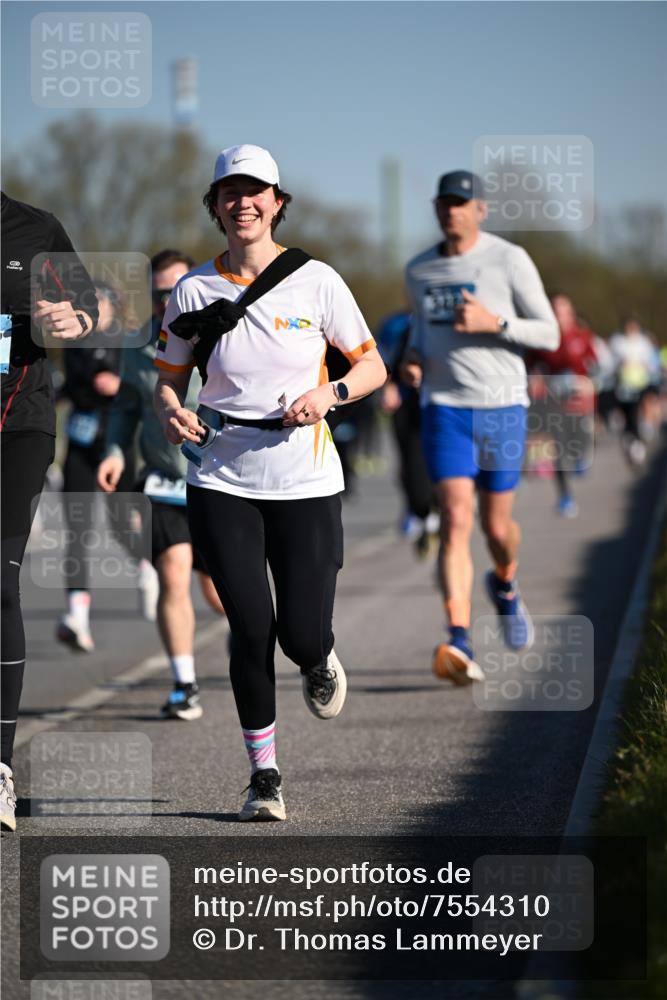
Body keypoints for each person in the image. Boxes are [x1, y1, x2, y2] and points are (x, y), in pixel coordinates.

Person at [153, 145, 386, 820]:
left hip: (305, 477)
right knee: (248, 627)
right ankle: (265, 777)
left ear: (277, 201)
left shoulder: (318, 281)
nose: (242, 203)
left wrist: (331, 393)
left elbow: (371, 365)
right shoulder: (193, 290)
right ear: (216, 205)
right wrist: (172, 415)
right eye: (230, 192)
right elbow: (168, 380)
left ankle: (319, 658)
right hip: (223, 475)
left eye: (256, 191)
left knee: (299, 638)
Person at [401, 170, 559, 684]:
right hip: (445, 408)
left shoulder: (508, 259)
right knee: (455, 517)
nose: (454, 211)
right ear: (436, 209)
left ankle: (506, 585)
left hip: (503, 407)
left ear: (481, 210)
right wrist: (413, 361)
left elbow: (550, 333)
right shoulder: (420, 269)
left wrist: (498, 323)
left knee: (495, 527)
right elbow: (420, 335)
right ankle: (459, 637)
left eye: (463, 203)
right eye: (445, 203)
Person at [1, 191, 98, 831]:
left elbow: (89, 307)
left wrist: (74, 322)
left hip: (17, 430)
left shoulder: (33, 228)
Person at [98, 249, 225, 721]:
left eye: (174, 292)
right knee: (173, 572)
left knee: (219, 591)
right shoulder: (138, 347)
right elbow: (127, 409)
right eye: (157, 294)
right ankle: (184, 684)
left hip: (216, 479)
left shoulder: (222, 339)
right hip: (164, 481)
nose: (165, 301)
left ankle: (250, 644)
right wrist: (114, 452)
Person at [56, 280, 143, 651]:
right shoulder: (72, 343)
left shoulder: (127, 343)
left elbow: (140, 386)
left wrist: (118, 382)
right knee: (77, 529)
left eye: (97, 304)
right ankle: (77, 616)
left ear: (112, 307)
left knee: (121, 525)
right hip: (79, 443)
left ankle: (147, 566)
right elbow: (70, 386)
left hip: (115, 445)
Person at [526, 294, 599, 518]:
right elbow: (531, 367)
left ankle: (583, 453)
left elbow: (597, 368)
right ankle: (565, 496)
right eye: (555, 311)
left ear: (571, 312)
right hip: (554, 399)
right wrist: (534, 379)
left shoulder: (583, 337)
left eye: (564, 310)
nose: (560, 316)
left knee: (578, 441)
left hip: (580, 400)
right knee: (558, 448)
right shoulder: (544, 339)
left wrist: (589, 384)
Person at [376, 310, 439, 555]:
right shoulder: (398, 324)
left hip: (442, 404)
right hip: (407, 404)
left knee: (436, 465)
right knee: (410, 464)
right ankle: (420, 510)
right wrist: (388, 386)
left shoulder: (448, 322)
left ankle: (436, 511)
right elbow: (383, 359)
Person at [609, 316, 661, 465]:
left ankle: (643, 431)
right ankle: (631, 437)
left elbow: (651, 362)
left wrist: (645, 366)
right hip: (624, 386)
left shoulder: (643, 342)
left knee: (644, 405)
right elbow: (611, 362)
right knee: (628, 413)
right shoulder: (617, 342)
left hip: (641, 383)